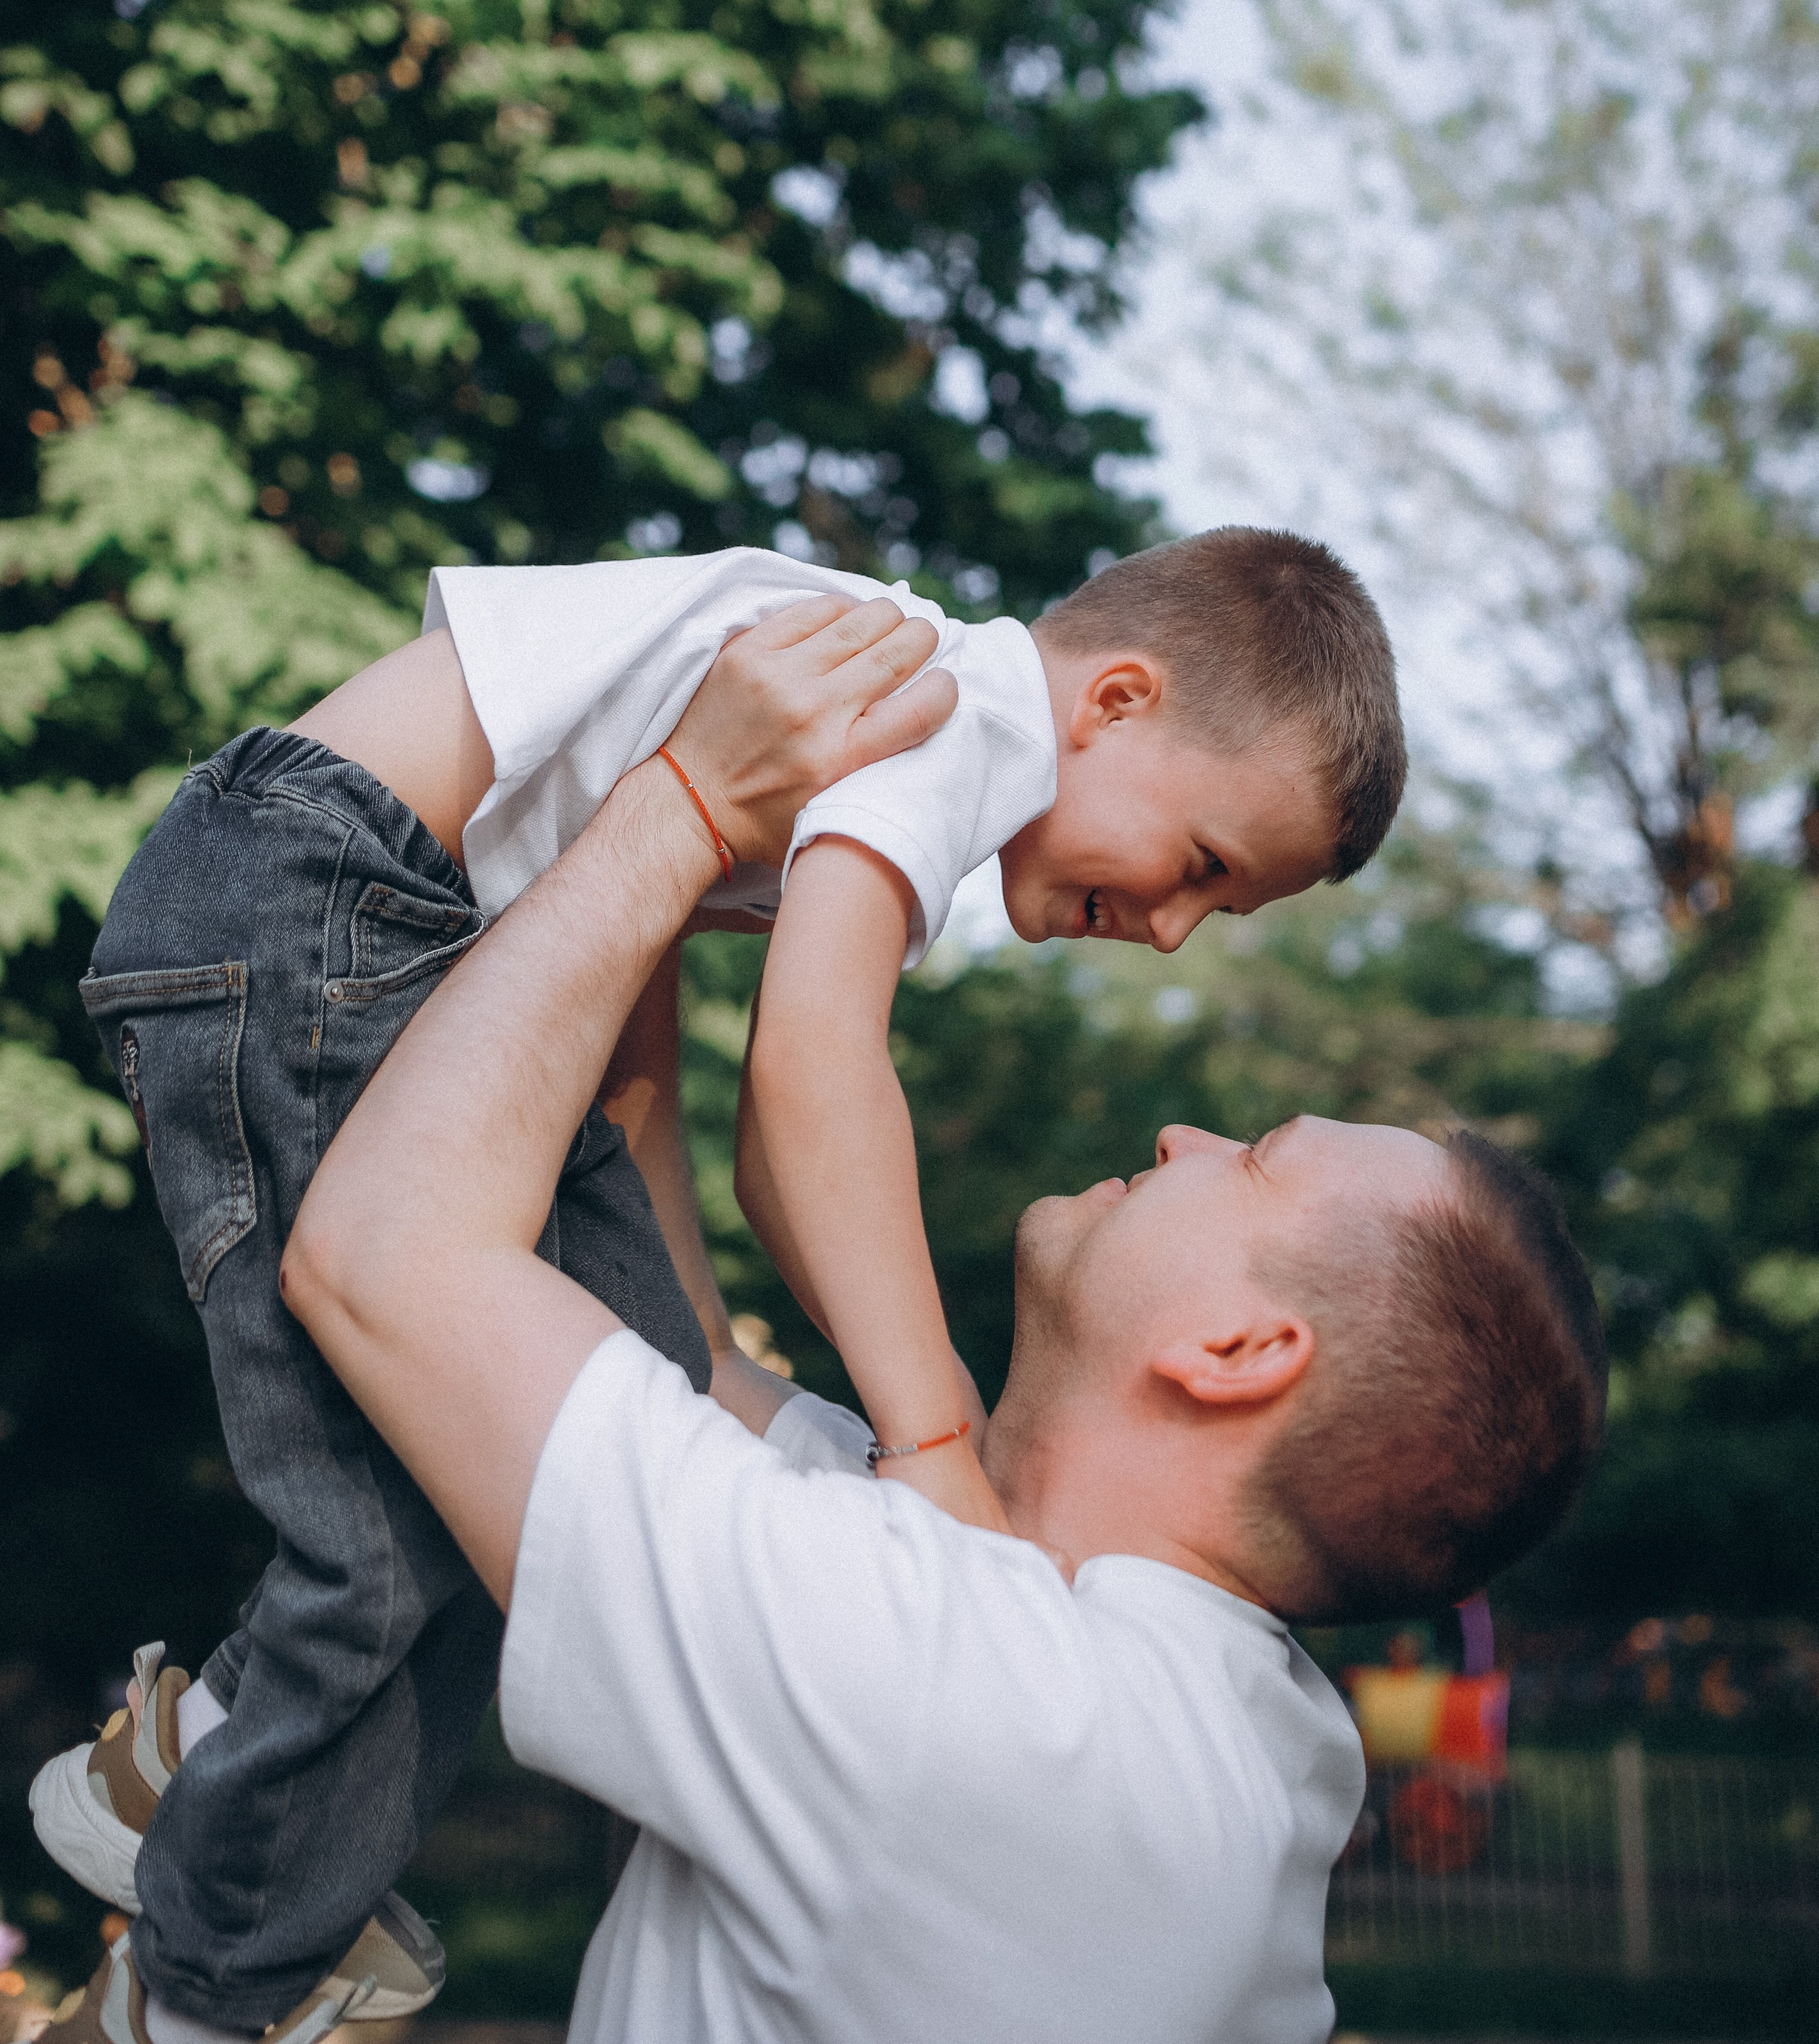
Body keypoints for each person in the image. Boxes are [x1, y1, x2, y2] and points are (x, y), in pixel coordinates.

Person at [51, 659, 1603, 2044]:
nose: (1183, 1132)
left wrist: (681, 797)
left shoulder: (981, 1705)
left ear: (1241, 1348)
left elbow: (384, 1254)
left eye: (1254, 1154)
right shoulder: (1198, 1713)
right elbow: (683, 1357)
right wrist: (650, 874)